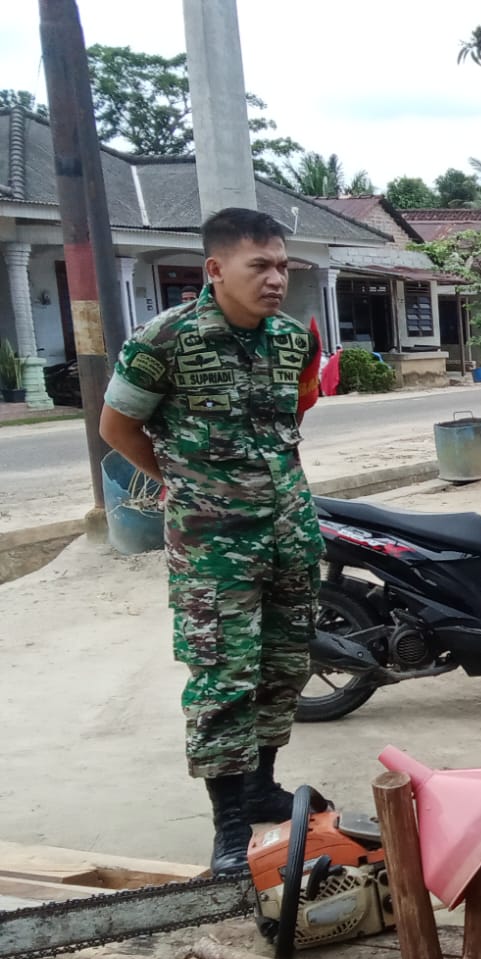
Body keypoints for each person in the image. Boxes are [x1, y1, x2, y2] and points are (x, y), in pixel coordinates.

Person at [100, 208, 325, 873]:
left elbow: (295, 414)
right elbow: (117, 427)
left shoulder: (292, 340)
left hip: (289, 532)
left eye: (283, 265)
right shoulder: (164, 340)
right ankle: (229, 828)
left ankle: (260, 786)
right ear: (215, 270)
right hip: (212, 545)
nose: (276, 279)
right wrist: (178, 481)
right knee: (224, 679)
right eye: (260, 266)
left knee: (284, 667)